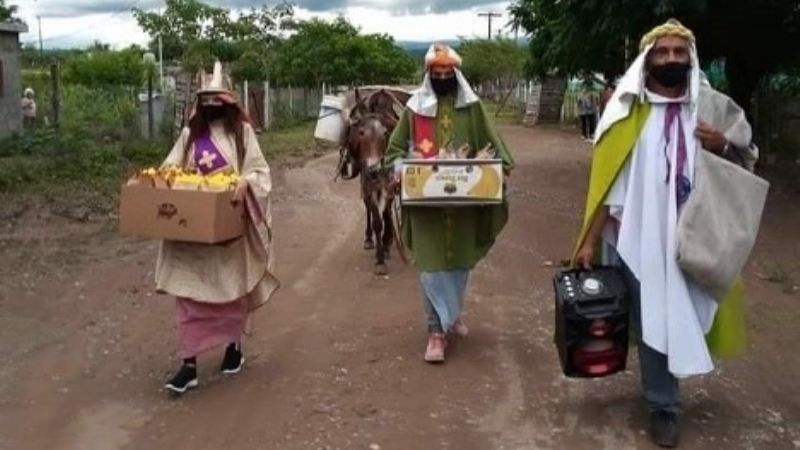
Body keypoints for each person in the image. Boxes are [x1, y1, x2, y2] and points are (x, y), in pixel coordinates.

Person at [573, 20, 758, 447]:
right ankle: (663, 405)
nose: (672, 59)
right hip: (641, 235)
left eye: (680, 52)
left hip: (699, 235)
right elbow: (607, 183)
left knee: (690, 310)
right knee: (655, 314)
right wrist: (587, 241)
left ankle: (669, 388)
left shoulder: (710, 108)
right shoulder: (624, 114)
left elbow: (746, 158)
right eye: (663, 52)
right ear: (647, 61)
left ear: (690, 59)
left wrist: (722, 145)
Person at [156, 61, 280, 394]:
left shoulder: (243, 135)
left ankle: (233, 348)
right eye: (205, 100)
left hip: (228, 232)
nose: (211, 106)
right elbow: (169, 169)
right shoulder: (189, 137)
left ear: (227, 102)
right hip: (192, 235)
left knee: (230, 294)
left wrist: (245, 183)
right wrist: (164, 181)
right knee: (189, 298)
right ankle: (189, 364)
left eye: (216, 100)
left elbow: (260, 173)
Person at [386, 44, 514, 363]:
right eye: (437, 73)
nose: (443, 78)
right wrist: (402, 170)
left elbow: (495, 146)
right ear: (429, 75)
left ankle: (452, 314)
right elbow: (394, 151)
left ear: (456, 75)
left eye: (448, 73)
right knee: (431, 268)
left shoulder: (473, 108)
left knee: (458, 264)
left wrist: (500, 171)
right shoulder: (415, 109)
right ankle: (435, 333)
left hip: (463, 206)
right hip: (426, 207)